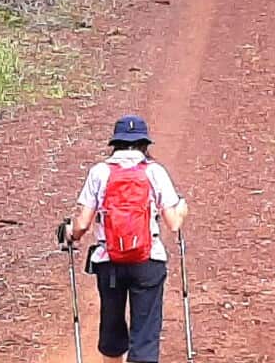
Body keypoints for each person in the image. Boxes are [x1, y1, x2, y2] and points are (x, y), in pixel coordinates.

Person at [60, 115, 188, 363]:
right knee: (145, 332)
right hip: (148, 261)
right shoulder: (155, 171)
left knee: (112, 325)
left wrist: (68, 232)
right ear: (144, 144)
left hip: (109, 263)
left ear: (115, 143)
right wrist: (182, 208)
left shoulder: (99, 172)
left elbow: (83, 224)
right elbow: (174, 223)